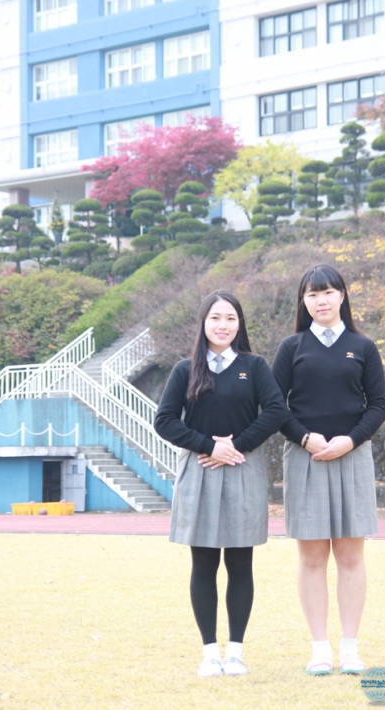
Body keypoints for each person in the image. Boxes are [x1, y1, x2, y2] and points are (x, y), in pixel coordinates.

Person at [154, 290, 287, 678]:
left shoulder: (254, 366)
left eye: (230, 318)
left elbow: (276, 411)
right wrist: (209, 446)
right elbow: (165, 420)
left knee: (241, 562)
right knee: (204, 563)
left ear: (239, 324)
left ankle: (235, 654)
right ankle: (210, 653)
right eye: (215, 318)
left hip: (244, 467)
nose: (223, 325)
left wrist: (234, 447)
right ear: (203, 323)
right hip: (200, 469)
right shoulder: (185, 370)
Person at [271, 264, 385, 676]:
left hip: (352, 457)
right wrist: (305, 438)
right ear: (303, 301)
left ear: (342, 295)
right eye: (312, 294)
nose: (321, 300)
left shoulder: (363, 346)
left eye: (328, 292)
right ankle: (320, 649)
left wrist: (350, 440)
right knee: (312, 557)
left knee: (351, 555)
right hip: (305, 458)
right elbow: (274, 406)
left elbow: (379, 405)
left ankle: (350, 649)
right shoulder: (291, 347)